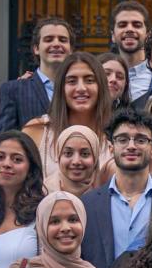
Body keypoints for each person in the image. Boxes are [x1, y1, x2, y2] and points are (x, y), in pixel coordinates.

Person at [80, 108, 152, 268]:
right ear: (111, 148)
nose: (131, 146)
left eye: (141, 140)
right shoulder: (87, 204)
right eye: (122, 139)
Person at [23, 52, 113, 191]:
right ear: (61, 88)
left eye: (89, 80)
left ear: (101, 86)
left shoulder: (116, 136)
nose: (81, 88)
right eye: (72, 81)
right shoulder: (37, 131)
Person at [0, 17, 73, 134]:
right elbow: (5, 140)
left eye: (62, 40)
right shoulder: (14, 90)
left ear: (71, 49)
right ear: (36, 48)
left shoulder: (81, 90)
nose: (56, 44)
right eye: (49, 39)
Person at [0, 131, 42, 268]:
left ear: (30, 169)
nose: (7, 164)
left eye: (17, 159)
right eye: (0, 157)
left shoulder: (42, 212)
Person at [109, 0, 152, 101]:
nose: (129, 29)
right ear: (113, 36)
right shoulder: (100, 75)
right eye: (122, 25)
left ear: (148, 35)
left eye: (137, 25)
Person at [53, 125, 101, 198]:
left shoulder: (107, 192)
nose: (76, 162)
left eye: (85, 154)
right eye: (68, 153)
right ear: (59, 156)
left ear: (95, 157)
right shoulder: (43, 193)